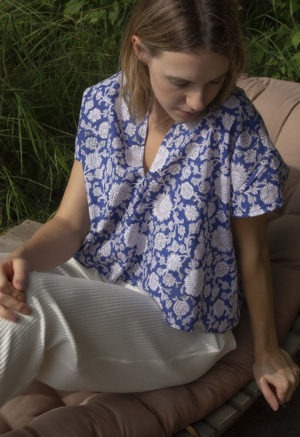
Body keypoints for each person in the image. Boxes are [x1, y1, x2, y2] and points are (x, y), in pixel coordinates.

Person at [0, 0, 299, 413]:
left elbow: (254, 254)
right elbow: (69, 224)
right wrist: (18, 259)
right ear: (140, 50)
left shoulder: (236, 125)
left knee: (29, 304)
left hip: (178, 323)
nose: (198, 101)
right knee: (6, 282)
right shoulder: (103, 102)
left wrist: (265, 351)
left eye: (214, 81)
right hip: (97, 278)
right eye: (181, 82)